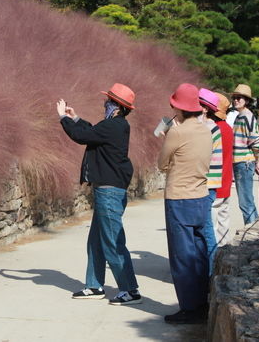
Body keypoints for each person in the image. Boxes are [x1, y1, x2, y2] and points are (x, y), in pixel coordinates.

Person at [57, 83, 141, 306]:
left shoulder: (114, 126)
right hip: (107, 190)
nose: (105, 103)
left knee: (112, 241)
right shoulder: (114, 126)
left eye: (108, 101)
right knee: (96, 240)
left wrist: (63, 119)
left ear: (116, 106)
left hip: (109, 191)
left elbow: (83, 136)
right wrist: (75, 118)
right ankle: (94, 285)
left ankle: (130, 290)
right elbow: (92, 132)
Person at [158, 83, 212, 324]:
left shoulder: (177, 132)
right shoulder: (205, 130)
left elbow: (162, 163)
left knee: (182, 255)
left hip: (179, 197)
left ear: (177, 107)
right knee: (199, 252)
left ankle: (189, 308)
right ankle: (202, 302)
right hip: (201, 196)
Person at [231, 84, 259, 225]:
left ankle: (251, 233)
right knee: (247, 201)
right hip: (242, 161)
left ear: (247, 101)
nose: (236, 100)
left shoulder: (246, 117)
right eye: (235, 98)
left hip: (243, 162)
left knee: (245, 202)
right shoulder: (242, 116)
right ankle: (256, 229)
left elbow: (256, 141)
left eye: (239, 98)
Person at [198, 88, 222, 274]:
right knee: (204, 228)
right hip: (209, 184)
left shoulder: (209, 128)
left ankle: (212, 272)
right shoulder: (210, 127)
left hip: (206, 184)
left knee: (206, 229)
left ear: (205, 108)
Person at [211, 93, 234, 247]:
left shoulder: (213, 130)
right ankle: (224, 251)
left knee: (211, 225)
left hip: (214, 183)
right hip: (225, 181)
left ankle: (213, 258)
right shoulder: (227, 128)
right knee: (224, 220)